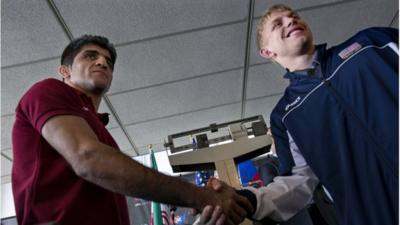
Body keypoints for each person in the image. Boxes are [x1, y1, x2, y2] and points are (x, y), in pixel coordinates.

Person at [11, 35, 253, 225]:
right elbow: (88, 158)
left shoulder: (101, 132)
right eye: (90, 56)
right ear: (65, 71)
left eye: (108, 61)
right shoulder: (48, 90)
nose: (102, 62)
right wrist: (200, 196)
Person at [200, 4, 398, 225]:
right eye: (278, 24)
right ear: (267, 52)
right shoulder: (285, 116)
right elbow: (299, 182)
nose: (291, 21)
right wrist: (248, 200)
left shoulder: (371, 43)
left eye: (293, 16)